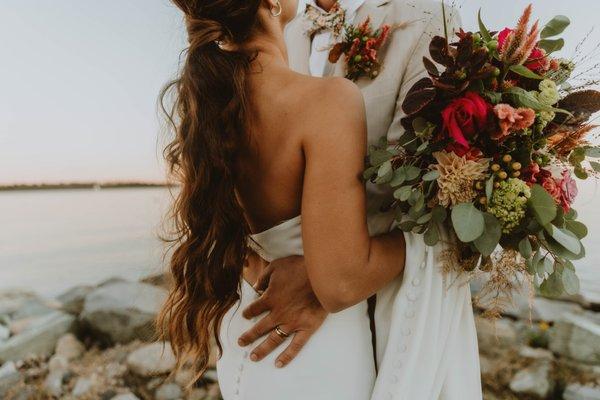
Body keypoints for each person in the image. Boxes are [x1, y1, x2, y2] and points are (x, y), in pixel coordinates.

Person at [157, 0, 409, 398]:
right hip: (307, 350)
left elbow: (219, 221)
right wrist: (428, 243)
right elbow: (341, 283)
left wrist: (260, 264)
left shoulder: (209, 103)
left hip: (248, 327)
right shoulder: (325, 101)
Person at [239, 0, 483, 398]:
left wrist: (328, 276)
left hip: (397, 299)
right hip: (288, 313)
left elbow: (448, 183)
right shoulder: (283, 26)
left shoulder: (423, 13)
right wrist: (254, 265)